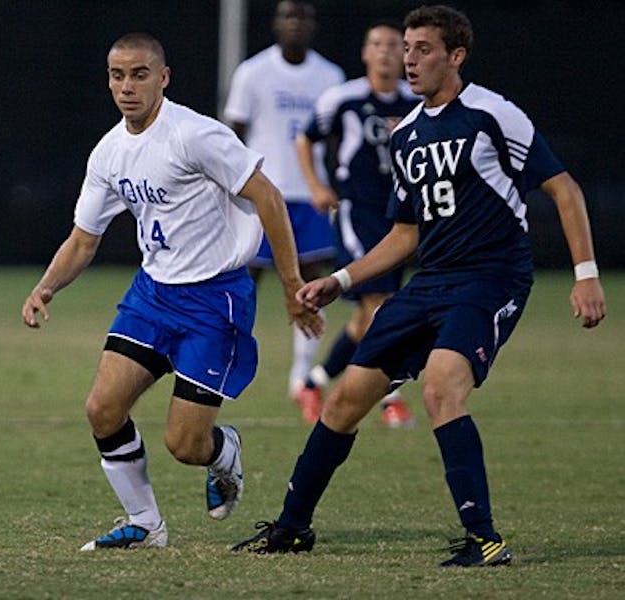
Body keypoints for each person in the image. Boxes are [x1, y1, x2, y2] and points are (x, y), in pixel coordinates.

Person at [232, 5, 606, 566]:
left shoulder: (491, 114)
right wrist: (340, 278)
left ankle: (484, 539)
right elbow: (405, 233)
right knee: (342, 402)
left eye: (423, 49)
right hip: (430, 282)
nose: (409, 59)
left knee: (439, 389)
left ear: (455, 56)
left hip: (490, 278)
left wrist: (586, 276)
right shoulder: (406, 134)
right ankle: (291, 529)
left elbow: (564, 189)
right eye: (405, 47)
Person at [21, 32, 321, 551]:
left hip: (214, 299)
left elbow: (268, 196)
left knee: (184, 444)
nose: (127, 86)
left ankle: (223, 451)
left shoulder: (195, 135)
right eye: (118, 76)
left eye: (140, 74)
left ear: (163, 78)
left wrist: (291, 283)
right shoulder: (109, 152)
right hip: (153, 295)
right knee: (102, 409)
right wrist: (45, 288)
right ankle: (144, 524)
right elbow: (82, 240)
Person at [293, 20, 421, 427]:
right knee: (380, 309)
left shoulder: (414, 102)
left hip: (399, 217)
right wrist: (316, 185)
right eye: (376, 44)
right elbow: (305, 137)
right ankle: (391, 399)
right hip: (356, 211)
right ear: (365, 53)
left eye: (393, 45)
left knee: (366, 319)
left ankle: (314, 382)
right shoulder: (344, 97)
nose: (385, 52)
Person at [223, 0, 345, 421]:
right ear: (276, 23)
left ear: (313, 25)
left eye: (304, 17)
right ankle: (224, 364)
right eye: (288, 16)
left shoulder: (330, 77)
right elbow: (233, 133)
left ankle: (301, 378)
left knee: (314, 285)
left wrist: (332, 183)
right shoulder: (253, 73)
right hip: (262, 197)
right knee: (243, 281)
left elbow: (333, 139)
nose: (295, 24)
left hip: (310, 198)